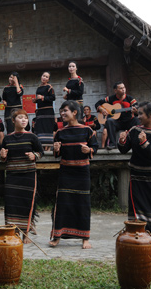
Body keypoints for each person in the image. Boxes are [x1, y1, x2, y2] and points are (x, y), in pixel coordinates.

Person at [118, 101, 151, 254]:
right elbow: (124, 150)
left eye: (141, 114)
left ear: (150, 115)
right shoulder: (134, 130)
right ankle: (135, 236)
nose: (138, 116)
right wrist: (121, 141)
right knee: (136, 207)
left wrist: (144, 143)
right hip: (136, 175)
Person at [51, 100, 98, 248]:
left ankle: (85, 238)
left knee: (82, 204)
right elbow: (56, 154)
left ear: (75, 112)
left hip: (82, 173)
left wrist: (89, 150)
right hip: (66, 172)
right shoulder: (60, 132)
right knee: (63, 203)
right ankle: (57, 236)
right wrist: (56, 149)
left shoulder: (87, 131)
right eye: (61, 111)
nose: (62, 113)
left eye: (65, 110)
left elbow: (95, 147)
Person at [0, 109, 43, 243]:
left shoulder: (32, 137)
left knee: (27, 204)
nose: (24, 120)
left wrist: (34, 156)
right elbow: (3, 157)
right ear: (13, 121)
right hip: (12, 176)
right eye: (20, 118)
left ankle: (26, 233)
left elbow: (41, 152)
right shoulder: (7, 138)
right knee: (12, 204)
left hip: (28, 175)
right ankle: (14, 231)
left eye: (25, 118)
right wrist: (3, 156)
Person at [95, 81, 140, 149]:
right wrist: (102, 110)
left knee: (137, 120)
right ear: (115, 90)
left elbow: (137, 107)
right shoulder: (110, 98)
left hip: (129, 121)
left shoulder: (130, 98)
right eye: (121, 88)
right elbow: (97, 104)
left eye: (124, 87)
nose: (123, 89)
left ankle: (136, 143)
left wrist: (136, 111)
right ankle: (112, 144)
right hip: (117, 123)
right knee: (109, 121)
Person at [33, 72, 56, 150]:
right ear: (41, 76)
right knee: (39, 128)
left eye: (46, 77)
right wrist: (35, 100)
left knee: (48, 128)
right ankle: (41, 147)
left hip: (48, 111)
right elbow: (38, 99)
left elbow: (53, 98)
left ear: (48, 79)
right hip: (40, 112)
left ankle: (48, 148)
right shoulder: (38, 88)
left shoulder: (50, 87)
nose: (44, 78)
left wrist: (43, 97)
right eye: (43, 76)